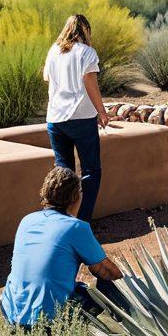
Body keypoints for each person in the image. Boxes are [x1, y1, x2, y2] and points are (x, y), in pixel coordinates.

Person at [0, 166, 125, 327]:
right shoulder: (75, 227)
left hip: (10, 310)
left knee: (77, 288)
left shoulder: (27, 220)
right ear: (76, 197)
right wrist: (129, 286)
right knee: (108, 286)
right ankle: (127, 333)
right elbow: (107, 271)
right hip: (43, 322)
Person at [44, 14, 109, 222]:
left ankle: (59, 219)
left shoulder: (54, 51)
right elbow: (90, 83)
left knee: (63, 172)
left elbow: (48, 79)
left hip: (55, 119)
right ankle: (82, 221)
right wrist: (102, 111)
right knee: (91, 171)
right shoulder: (87, 53)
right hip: (80, 118)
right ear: (85, 31)